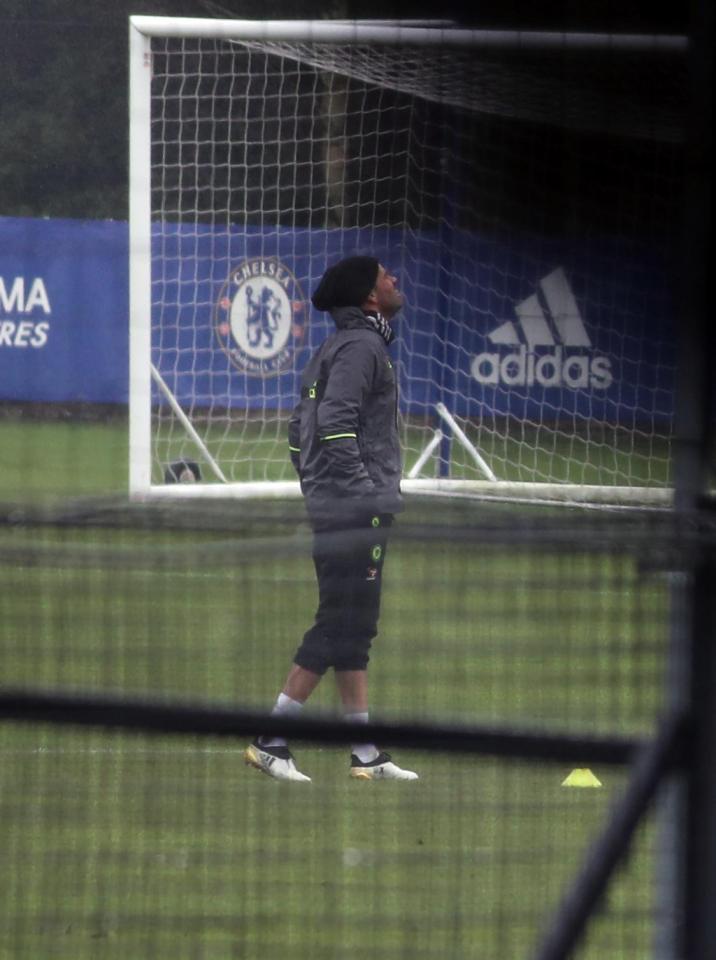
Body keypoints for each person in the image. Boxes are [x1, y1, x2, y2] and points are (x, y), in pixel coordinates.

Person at [244, 255, 418, 782]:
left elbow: (300, 432)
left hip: (337, 505)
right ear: (369, 297)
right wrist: (361, 494)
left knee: (355, 627)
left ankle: (364, 752)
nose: (394, 279)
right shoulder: (363, 347)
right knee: (339, 621)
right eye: (386, 275)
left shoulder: (337, 345)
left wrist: (317, 486)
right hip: (356, 510)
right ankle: (270, 738)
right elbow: (336, 423)